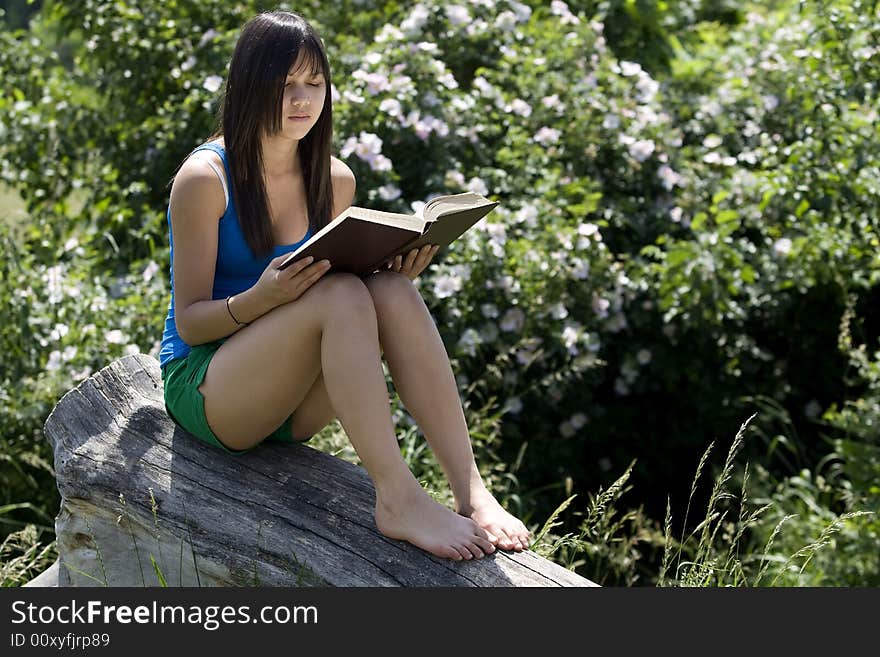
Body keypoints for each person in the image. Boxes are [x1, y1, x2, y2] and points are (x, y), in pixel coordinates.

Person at [158, 10, 530, 562]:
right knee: (340, 295)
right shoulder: (205, 180)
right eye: (286, 85)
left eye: (314, 83)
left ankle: (470, 490)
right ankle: (398, 498)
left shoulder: (333, 179)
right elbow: (189, 320)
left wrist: (388, 269)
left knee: (390, 292)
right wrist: (261, 299)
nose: (302, 100)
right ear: (249, 84)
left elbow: (341, 293)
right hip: (212, 390)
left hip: (292, 400)